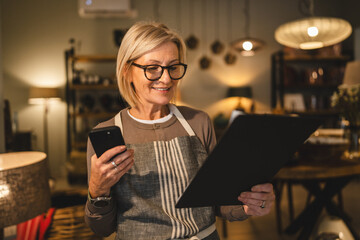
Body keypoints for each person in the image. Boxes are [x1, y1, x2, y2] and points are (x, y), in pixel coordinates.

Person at [85, 21, 275, 240]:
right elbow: (101, 229)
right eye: (152, 68)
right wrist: (97, 191)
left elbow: (219, 201)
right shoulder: (107, 132)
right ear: (127, 71)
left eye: (173, 67)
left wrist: (248, 204)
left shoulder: (198, 122)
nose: (166, 78)